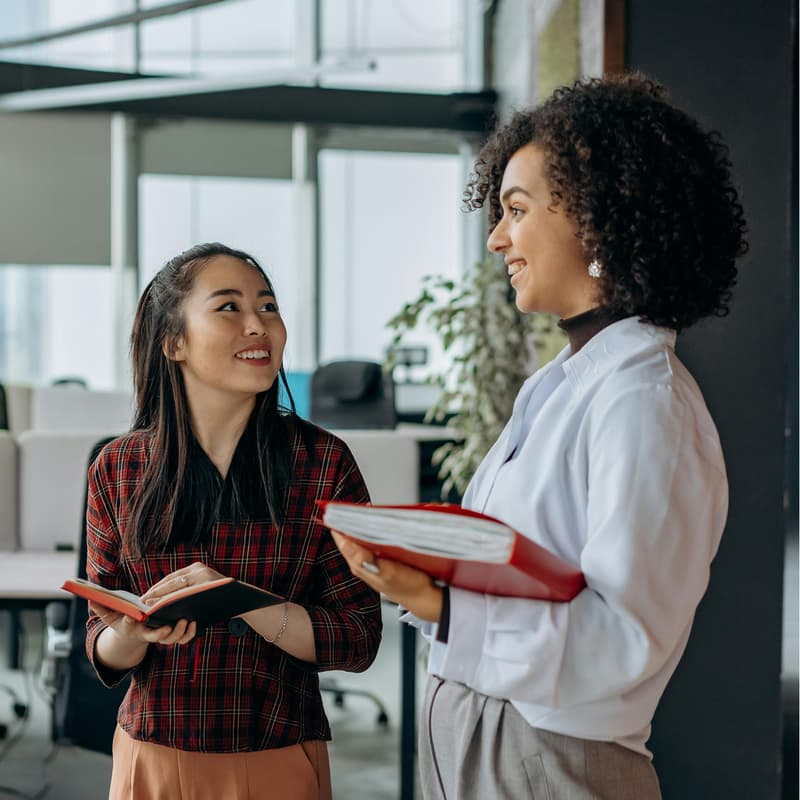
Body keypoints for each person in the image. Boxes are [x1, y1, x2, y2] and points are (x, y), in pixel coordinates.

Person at [331, 72, 747, 799]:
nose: (496, 239)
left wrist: (443, 605)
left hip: (546, 763)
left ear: (595, 218)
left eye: (516, 210)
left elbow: (626, 641)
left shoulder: (645, 402)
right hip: (485, 744)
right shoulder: (565, 382)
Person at [85, 242, 382, 800]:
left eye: (268, 306)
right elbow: (101, 639)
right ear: (173, 341)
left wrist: (242, 600)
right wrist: (127, 634)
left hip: (277, 756)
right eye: (229, 308)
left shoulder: (323, 463)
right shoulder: (118, 469)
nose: (259, 325)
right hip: (149, 757)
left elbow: (359, 636)